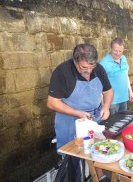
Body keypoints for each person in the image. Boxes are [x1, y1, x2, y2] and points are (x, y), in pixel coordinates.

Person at [47, 43, 113, 182]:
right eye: (84, 67)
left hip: (94, 118)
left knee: (96, 148)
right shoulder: (62, 72)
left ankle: (99, 177)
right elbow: (52, 102)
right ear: (75, 60)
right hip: (70, 121)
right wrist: (78, 113)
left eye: (92, 67)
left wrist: (106, 107)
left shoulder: (99, 69)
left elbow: (108, 91)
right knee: (73, 157)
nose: (89, 71)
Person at [100, 37, 133, 115]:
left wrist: (130, 91)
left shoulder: (124, 58)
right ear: (111, 48)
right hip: (112, 102)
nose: (118, 53)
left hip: (124, 98)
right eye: (115, 50)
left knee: (123, 121)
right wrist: (104, 105)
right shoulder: (103, 63)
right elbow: (100, 85)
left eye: (120, 51)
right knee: (113, 124)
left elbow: (126, 75)